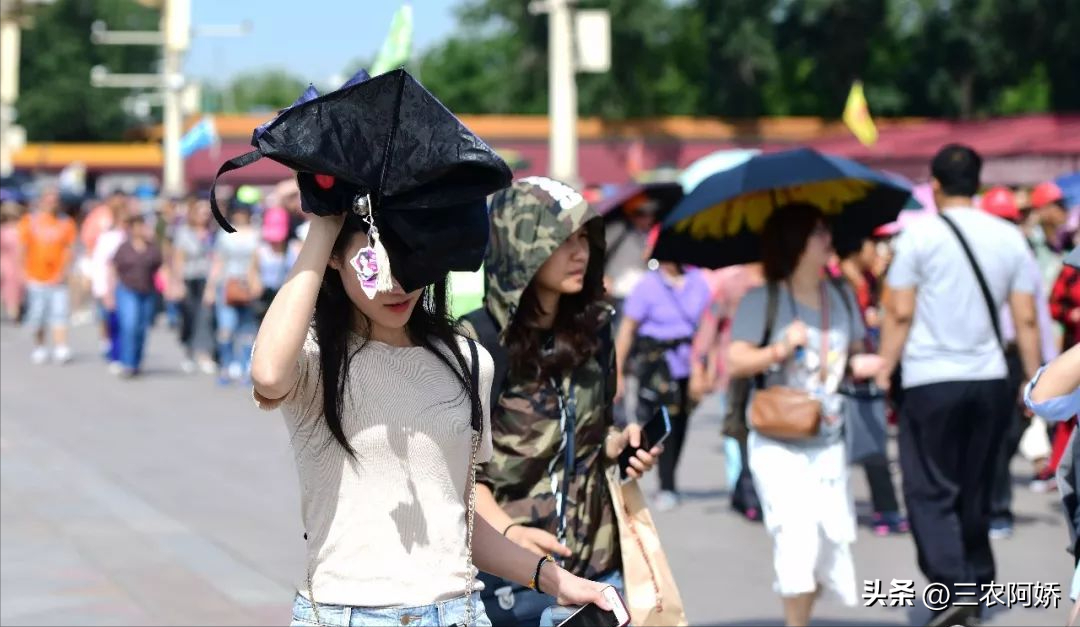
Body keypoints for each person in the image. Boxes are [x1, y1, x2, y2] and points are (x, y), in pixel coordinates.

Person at [461, 178, 662, 627]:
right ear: (521, 243)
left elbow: (594, 429)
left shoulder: (595, 329)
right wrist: (512, 536)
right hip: (513, 576)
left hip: (597, 567)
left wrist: (619, 444)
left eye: (585, 239)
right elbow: (457, 472)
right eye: (562, 240)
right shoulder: (479, 342)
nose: (580, 253)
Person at [876, 144, 1042, 627]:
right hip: (990, 377)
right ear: (979, 181)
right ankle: (977, 581)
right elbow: (1026, 319)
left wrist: (885, 364)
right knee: (977, 483)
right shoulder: (1009, 237)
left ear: (934, 183)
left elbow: (901, 310)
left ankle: (950, 587)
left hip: (931, 378)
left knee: (929, 487)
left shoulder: (918, 237)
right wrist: (1035, 382)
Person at [727, 202, 877, 627]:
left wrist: (864, 365)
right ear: (794, 241)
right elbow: (736, 362)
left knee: (830, 540)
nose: (828, 239)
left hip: (829, 438)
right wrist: (779, 349)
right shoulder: (764, 298)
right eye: (818, 232)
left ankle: (801, 621)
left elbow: (852, 357)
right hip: (778, 441)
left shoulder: (842, 295)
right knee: (796, 538)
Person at [614, 229, 711, 511]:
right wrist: (617, 372)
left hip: (686, 365)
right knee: (661, 423)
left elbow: (707, 325)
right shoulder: (647, 285)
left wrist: (703, 366)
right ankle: (666, 484)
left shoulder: (697, 281)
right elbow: (627, 330)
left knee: (682, 424)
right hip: (655, 366)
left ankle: (670, 478)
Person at [837, 240, 908, 536]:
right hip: (843, 373)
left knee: (873, 440)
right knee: (837, 447)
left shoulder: (868, 279)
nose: (876, 253)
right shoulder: (837, 283)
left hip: (866, 370)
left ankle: (886, 508)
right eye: (872, 245)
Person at [689, 264, 764, 494]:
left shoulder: (778, 279)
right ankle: (739, 486)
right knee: (734, 425)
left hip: (766, 367)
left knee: (761, 426)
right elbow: (711, 323)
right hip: (731, 367)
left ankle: (755, 483)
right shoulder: (730, 282)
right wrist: (699, 364)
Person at [204, 202, 261, 385]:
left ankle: (246, 367)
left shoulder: (255, 234)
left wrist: (256, 282)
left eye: (243, 212)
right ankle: (226, 366)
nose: (240, 215)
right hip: (226, 283)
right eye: (238, 212)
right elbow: (218, 261)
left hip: (246, 284)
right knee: (226, 328)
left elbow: (256, 262)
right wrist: (211, 287)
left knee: (247, 328)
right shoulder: (225, 233)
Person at [19, 187, 77, 365]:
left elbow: (70, 249)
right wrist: (24, 272)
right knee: (38, 315)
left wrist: (64, 272)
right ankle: (40, 347)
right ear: (42, 200)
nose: (52, 202)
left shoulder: (66, 223)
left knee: (59, 313)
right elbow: (23, 248)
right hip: (35, 276)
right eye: (49, 198)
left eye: (55, 199)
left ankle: (61, 347)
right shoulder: (30, 221)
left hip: (57, 278)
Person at [109, 212, 163, 377]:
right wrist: (110, 293)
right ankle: (128, 363)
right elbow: (113, 268)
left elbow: (161, 268)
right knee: (130, 325)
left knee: (141, 327)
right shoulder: (124, 247)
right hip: (127, 289)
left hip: (147, 291)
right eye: (137, 226)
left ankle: (137, 361)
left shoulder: (152, 248)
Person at [171, 197, 217, 375]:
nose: (205, 215)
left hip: (207, 279)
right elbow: (178, 259)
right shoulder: (184, 232)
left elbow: (217, 258)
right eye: (201, 211)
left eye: (207, 212)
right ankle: (188, 352)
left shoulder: (213, 232)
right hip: (189, 278)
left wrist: (212, 284)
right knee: (189, 317)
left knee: (205, 317)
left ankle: (204, 354)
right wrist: (177, 283)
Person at [256, 206, 294, 324]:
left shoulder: (295, 248)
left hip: (288, 299)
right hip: (266, 299)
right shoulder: (261, 250)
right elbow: (253, 273)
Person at [0, 200, 25, 322]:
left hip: (21, 262)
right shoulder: (3, 230)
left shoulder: (23, 228)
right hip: (7, 262)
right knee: (10, 286)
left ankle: (18, 309)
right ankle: (13, 311)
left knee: (20, 287)